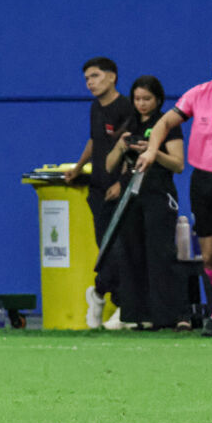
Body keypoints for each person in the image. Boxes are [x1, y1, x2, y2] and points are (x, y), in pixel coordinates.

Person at [136, 39, 212, 337]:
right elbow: (164, 123)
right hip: (202, 180)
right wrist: (152, 150)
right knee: (210, 256)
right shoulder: (198, 94)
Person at [106, 76, 186, 329]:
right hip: (131, 197)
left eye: (147, 99)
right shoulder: (128, 124)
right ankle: (139, 316)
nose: (141, 104)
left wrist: (152, 152)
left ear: (158, 99)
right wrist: (121, 147)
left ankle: (171, 316)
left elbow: (178, 164)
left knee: (160, 254)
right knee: (132, 254)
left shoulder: (166, 124)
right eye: (137, 99)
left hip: (158, 193)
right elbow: (109, 165)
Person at [64, 57, 136, 329]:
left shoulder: (126, 108)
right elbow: (95, 140)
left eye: (94, 76)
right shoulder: (95, 108)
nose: (90, 83)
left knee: (120, 250)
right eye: (86, 79)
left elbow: (131, 147)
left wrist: (122, 182)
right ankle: (102, 295)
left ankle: (116, 302)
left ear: (112, 77)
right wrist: (78, 167)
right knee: (105, 250)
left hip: (120, 192)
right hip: (97, 189)